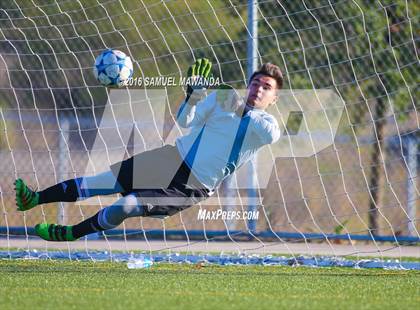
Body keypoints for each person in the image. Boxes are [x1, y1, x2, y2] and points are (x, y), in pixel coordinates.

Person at [14, 58, 283, 241]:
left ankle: (72, 232)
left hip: (192, 185)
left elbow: (266, 133)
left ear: (274, 98)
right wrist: (192, 98)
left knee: (126, 205)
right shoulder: (221, 99)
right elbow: (184, 121)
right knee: (99, 182)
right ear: (249, 85)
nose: (259, 89)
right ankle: (34, 199)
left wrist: (236, 106)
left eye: (266, 87)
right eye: (256, 83)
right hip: (169, 157)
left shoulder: (267, 124)